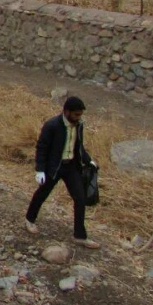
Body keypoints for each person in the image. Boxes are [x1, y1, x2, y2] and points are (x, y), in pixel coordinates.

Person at [25, 96, 100, 249]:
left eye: (80, 115)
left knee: (80, 199)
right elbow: (42, 147)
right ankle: (29, 220)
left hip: (71, 167)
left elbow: (78, 146)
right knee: (42, 193)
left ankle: (79, 236)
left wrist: (88, 160)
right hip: (54, 167)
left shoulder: (78, 125)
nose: (78, 118)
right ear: (66, 112)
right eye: (76, 114)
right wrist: (40, 170)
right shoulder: (52, 125)